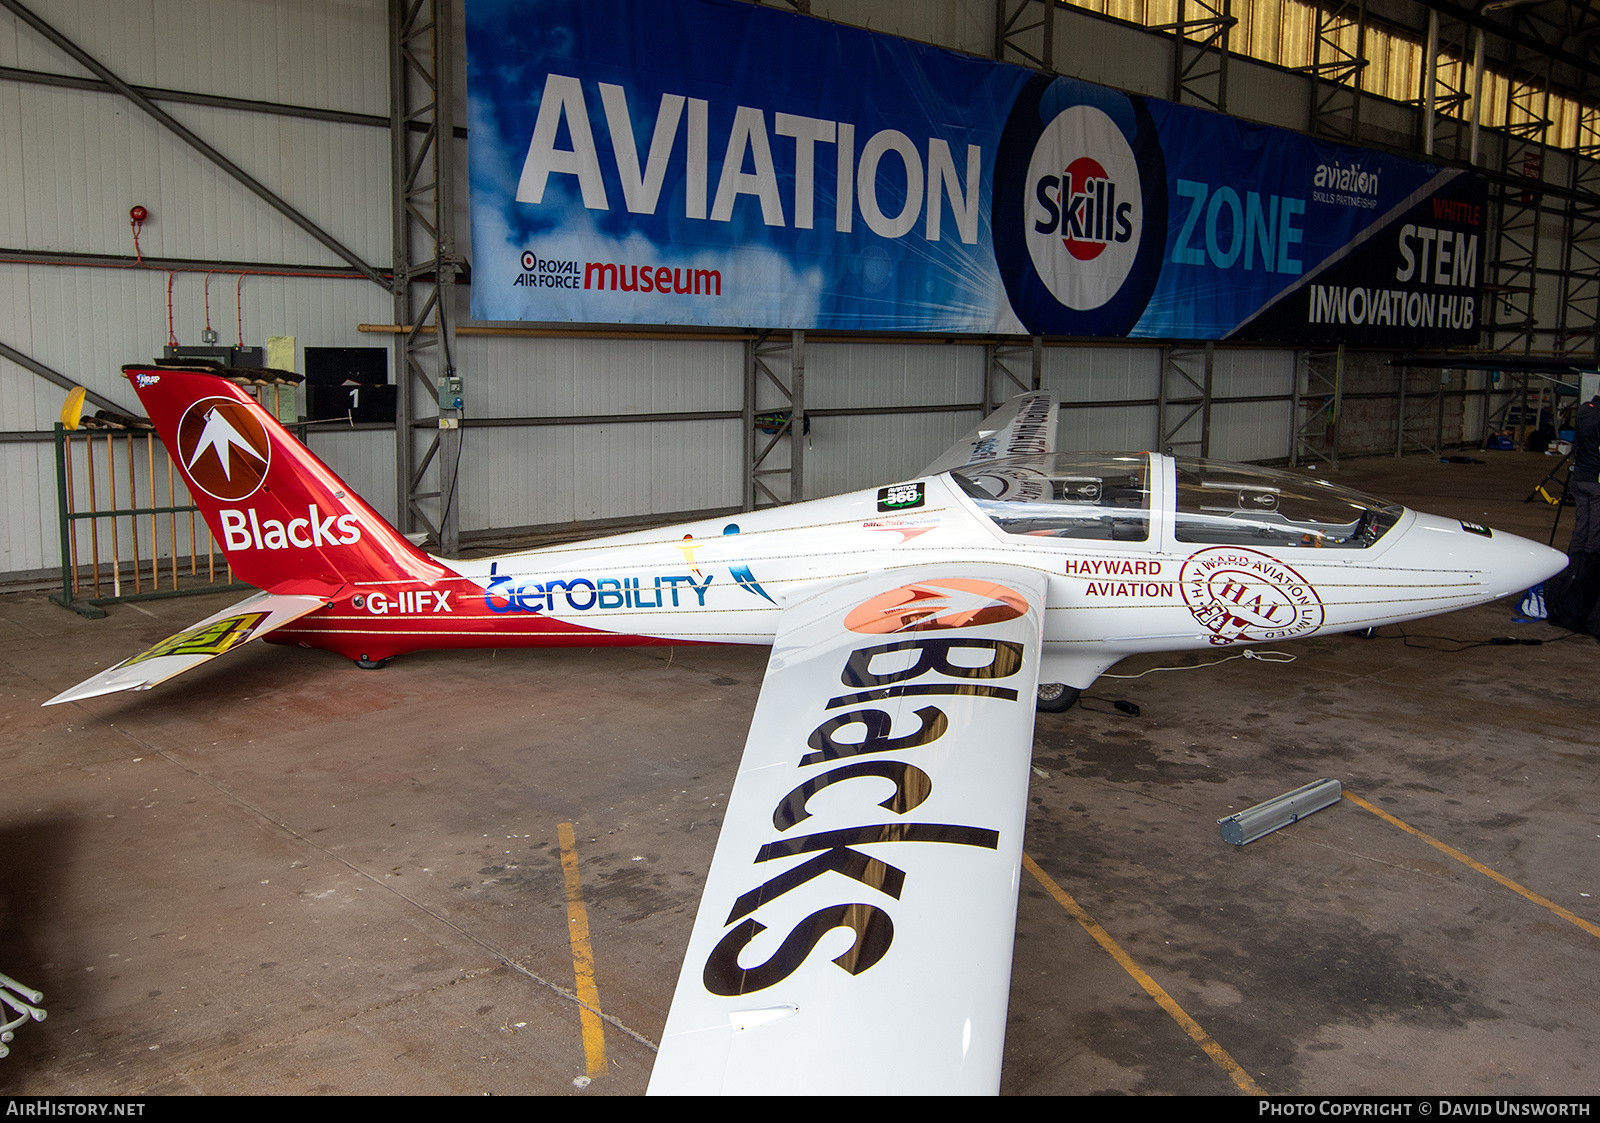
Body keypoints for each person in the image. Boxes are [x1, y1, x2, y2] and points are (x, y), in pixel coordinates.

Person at [1545, 391, 1600, 634]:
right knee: (1594, 537)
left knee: (1580, 530)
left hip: (1580, 480)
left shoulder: (1585, 411)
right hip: (1597, 483)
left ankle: (1570, 575)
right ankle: (1585, 585)